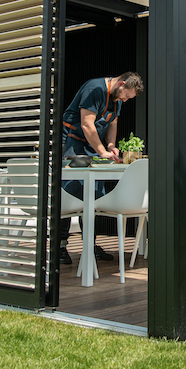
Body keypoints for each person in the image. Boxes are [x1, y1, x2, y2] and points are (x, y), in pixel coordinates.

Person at [59, 72, 143, 264]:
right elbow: (87, 124)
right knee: (70, 190)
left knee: (94, 194)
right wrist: (102, 151)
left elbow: (113, 123)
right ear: (121, 84)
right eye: (126, 96)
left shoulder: (117, 98)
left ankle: (90, 244)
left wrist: (111, 146)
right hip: (73, 140)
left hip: (93, 145)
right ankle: (60, 246)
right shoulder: (95, 89)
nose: (126, 100)